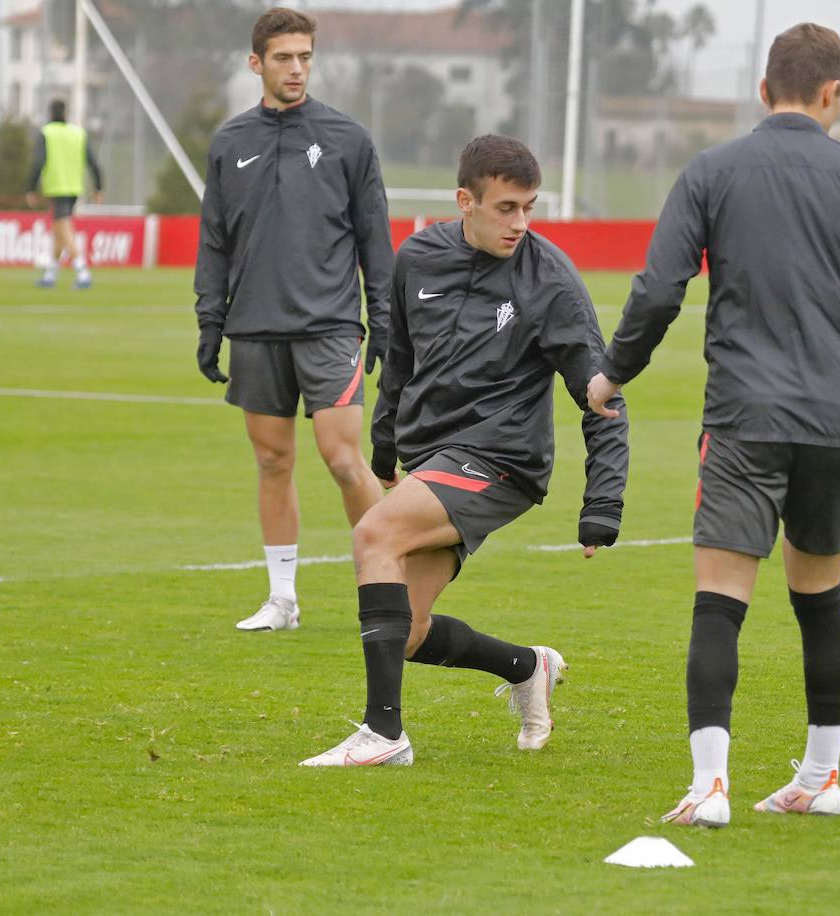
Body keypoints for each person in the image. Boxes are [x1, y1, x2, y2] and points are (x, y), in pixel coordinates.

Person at [587, 22, 840, 826]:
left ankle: (710, 788)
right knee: (820, 596)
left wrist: (614, 369)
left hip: (744, 417)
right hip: (835, 418)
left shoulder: (712, 171)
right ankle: (821, 776)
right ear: (834, 92)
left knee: (719, 601)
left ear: (764, 90)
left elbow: (660, 289)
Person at [300, 135, 629, 767]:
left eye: (529, 207)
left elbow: (602, 395)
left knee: (374, 537)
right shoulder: (418, 257)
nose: (520, 223)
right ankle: (526, 666)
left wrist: (603, 504)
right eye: (506, 208)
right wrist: (385, 440)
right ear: (465, 201)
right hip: (435, 458)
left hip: (504, 459)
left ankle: (384, 734)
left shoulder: (551, 280)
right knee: (407, 631)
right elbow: (399, 358)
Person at [194, 7, 394, 632]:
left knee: (342, 458)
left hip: (330, 326)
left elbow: (374, 240)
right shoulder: (230, 142)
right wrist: (210, 321)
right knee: (273, 462)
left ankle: (390, 587)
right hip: (254, 327)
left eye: (305, 56)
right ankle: (283, 599)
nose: (297, 68)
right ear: (257, 63)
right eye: (284, 57)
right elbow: (215, 242)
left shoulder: (348, 139)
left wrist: (384, 322)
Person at [25, 99, 104, 290]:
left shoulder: (47, 133)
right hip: (74, 187)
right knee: (58, 230)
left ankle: (82, 271)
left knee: (64, 229)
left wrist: (30, 187)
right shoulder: (77, 133)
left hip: (57, 187)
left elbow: (38, 162)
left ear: (50, 113)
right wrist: (98, 187)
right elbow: (93, 162)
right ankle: (51, 274)